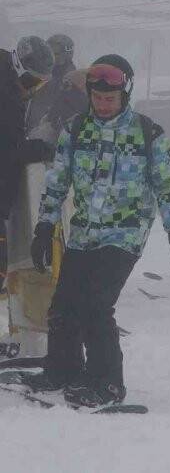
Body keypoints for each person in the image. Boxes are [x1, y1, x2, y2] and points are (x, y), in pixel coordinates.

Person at [24, 54, 170, 407]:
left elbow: (168, 188)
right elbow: (57, 182)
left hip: (124, 235)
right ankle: (63, 370)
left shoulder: (148, 133)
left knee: (96, 306)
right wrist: (44, 226)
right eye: (97, 98)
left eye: (110, 99)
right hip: (84, 233)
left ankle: (107, 384)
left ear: (124, 95)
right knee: (63, 306)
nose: (103, 105)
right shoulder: (75, 129)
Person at [1, 36, 54, 357]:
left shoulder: (8, 87)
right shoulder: (6, 95)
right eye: (31, 81)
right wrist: (42, 148)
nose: (31, 89)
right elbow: (9, 148)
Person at [25, 34, 87, 135]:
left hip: (48, 133)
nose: (50, 55)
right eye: (47, 51)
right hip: (28, 128)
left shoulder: (71, 81)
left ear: (66, 55)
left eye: (56, 53)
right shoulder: (40, 72)